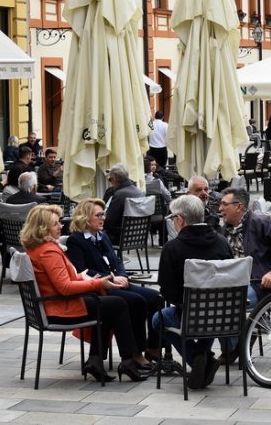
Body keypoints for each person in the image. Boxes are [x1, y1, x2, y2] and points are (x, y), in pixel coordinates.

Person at [23, 204, 147, 383]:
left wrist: (81, 277)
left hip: (51, 305)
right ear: (43, 228)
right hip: (59, 309)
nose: (61, 226)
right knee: (118, 304)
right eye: (56, 224)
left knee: (107, 303)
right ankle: (127, 361)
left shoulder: (37, 248)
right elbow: (64, 287)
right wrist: (96, 283)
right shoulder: (48, 251)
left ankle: (96, 360)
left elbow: (59, 280)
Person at [66, 199, 162, 364]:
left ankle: (153, 348)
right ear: (85, 218)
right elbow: (81, 271)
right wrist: (111, 277)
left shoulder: (102, 236)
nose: (103, 218)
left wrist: (122, 275)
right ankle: (136, 353)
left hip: (117, 282)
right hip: (99, 288)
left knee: (156, 298)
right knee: (137, 301)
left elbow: (118, 261)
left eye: (103, 214)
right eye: (98, 215)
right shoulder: (76, 240)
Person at [154, 195, 232, 388]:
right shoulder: (222, 242)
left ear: (180, 219)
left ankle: (197, 356)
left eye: (173, 218)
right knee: (211, 308)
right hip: (224, 315)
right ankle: (204, 358)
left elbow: (168, 292)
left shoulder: (172, 248)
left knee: (159, 319)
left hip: (191, 314)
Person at [103, 163, 144, 244]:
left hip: (120, 236)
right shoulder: (138, 192)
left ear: (115, 180)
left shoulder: (120, 194)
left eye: (110, 179)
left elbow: (109, 221)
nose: (110, 182)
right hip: (138, 235)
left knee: (90, 236)